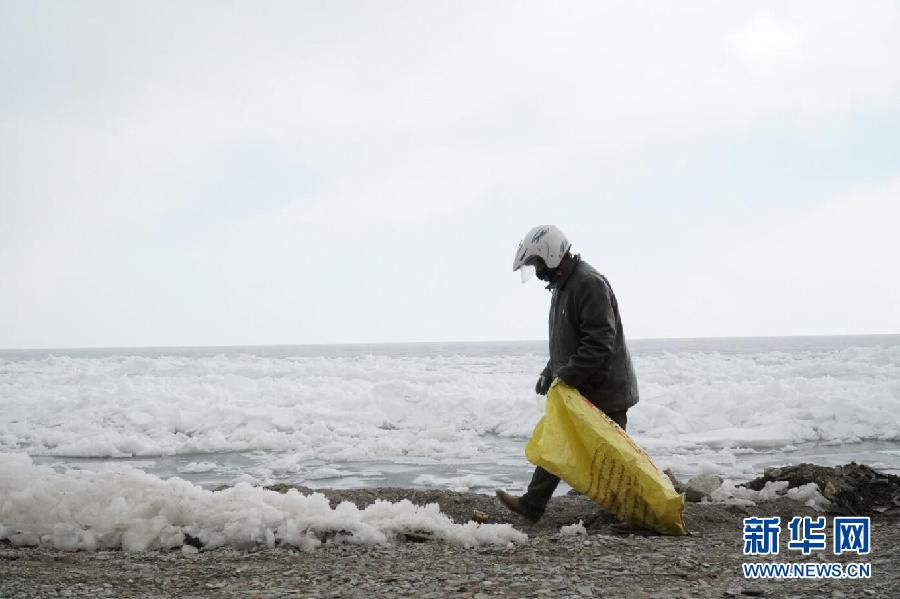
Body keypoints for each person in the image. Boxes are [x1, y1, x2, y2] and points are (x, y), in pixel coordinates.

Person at [497, 225, 640, 523]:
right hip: (583, 387)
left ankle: (630, 513)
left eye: (536, 263)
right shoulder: (563, 287)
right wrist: (550, 371)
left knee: (613, 458)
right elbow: (566, 340)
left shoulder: (589, 284)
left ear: (550, 255)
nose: (535, 271)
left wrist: (567, 377)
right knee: (557, 441)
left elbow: (599, 342)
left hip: (606, 390)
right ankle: (532, 505)